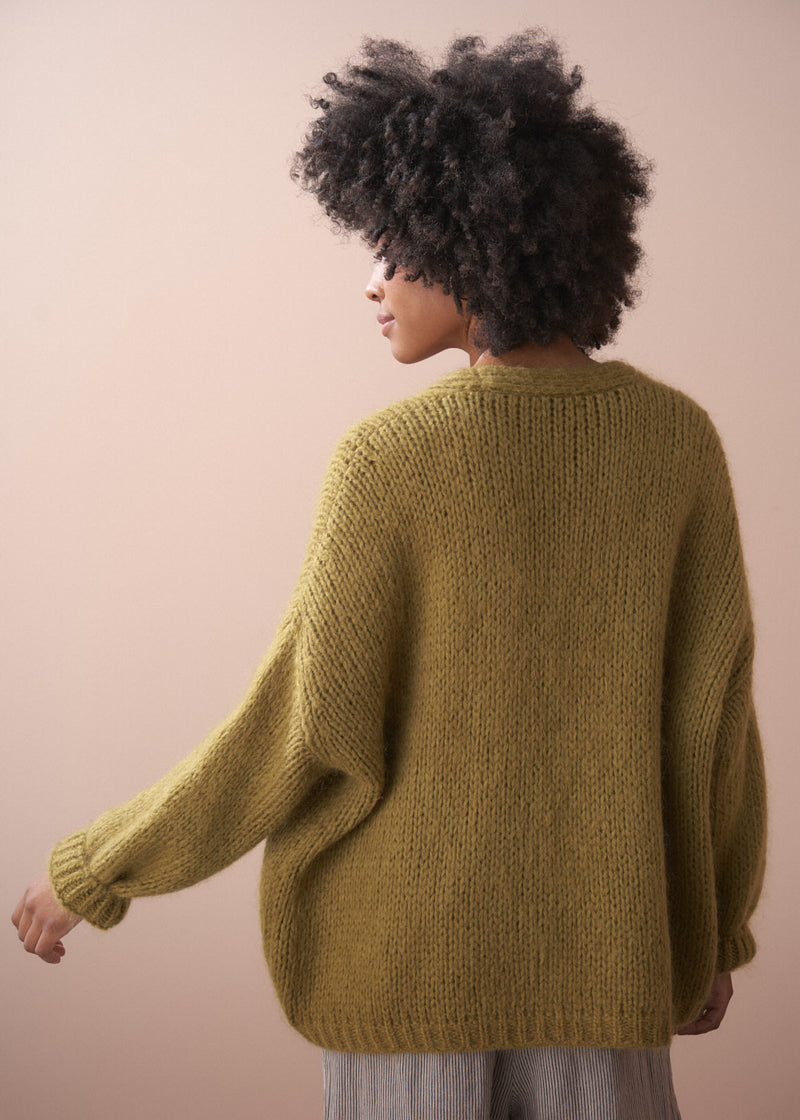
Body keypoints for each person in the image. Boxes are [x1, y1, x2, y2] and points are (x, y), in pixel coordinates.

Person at [12, 28, 767, 1120]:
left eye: (393, 248)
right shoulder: (674, 442)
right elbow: (714, 724)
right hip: (607, 965)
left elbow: (290, 725)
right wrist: (710, 933)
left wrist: (94, 867)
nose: (371, 285)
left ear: (474, 243)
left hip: (405, 970)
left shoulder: (387, 462)